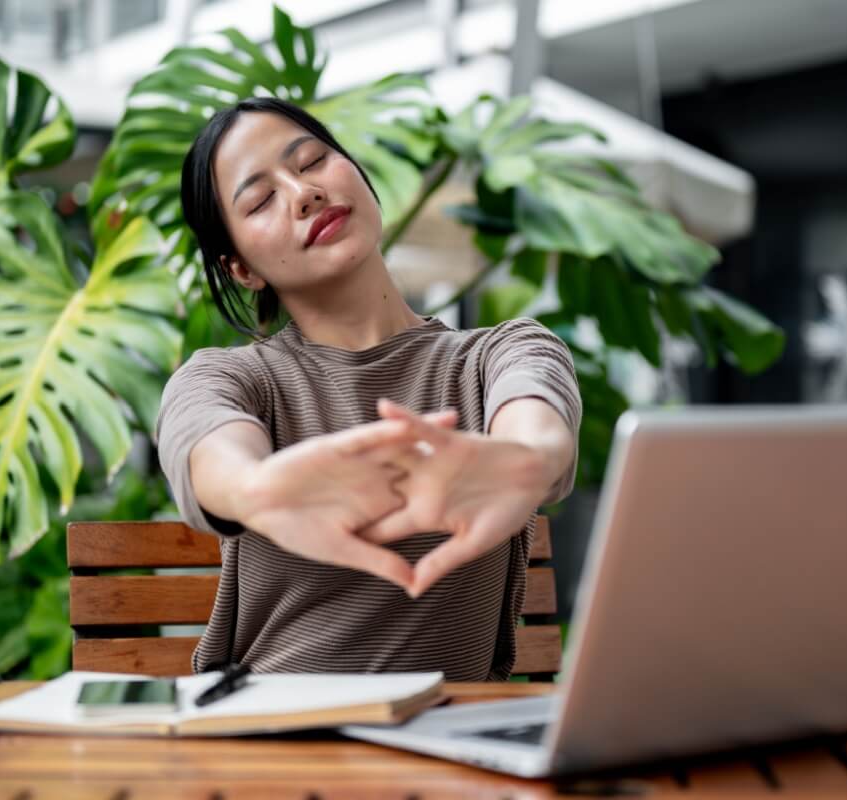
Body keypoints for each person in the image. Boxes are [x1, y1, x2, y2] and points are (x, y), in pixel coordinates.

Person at [154, 97, 582, 680]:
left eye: (312, 162)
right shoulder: (231, 378)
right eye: (260, 200)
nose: (304, 192)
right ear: (242, 269)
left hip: (453, 744)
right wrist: (257, 488)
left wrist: (524, 461)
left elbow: (537, 425)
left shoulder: (499, 355)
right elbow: (210, 451)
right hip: (274, 739)